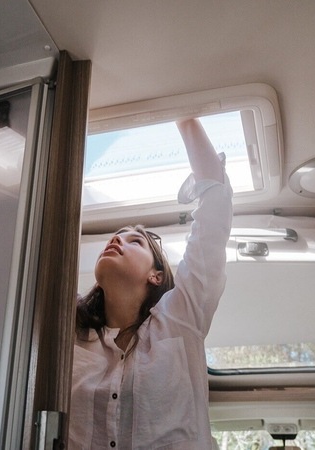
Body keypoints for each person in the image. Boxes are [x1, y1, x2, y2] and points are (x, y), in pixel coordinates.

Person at [69, 118, 233, 449]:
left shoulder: (180, 318)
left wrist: (184, 116)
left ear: (155, 275)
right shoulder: (68, 331)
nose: (116, 241)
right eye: (114, 238)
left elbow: (215, 207)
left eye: (134, 242)